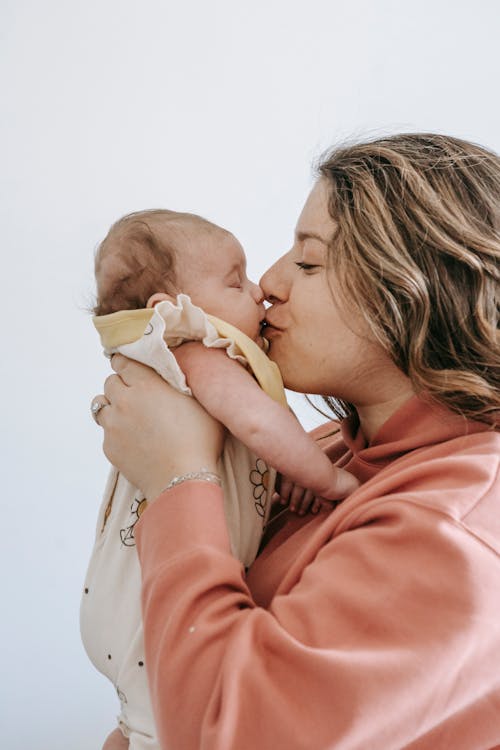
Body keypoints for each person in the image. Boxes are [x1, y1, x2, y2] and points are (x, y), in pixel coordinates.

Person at [92, 133, 500, 750]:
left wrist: (178, 476)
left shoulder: (455, 524)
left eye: (308, 262)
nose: (270, 284)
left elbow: (230, 734)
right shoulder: (334, 448)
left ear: (415, 287)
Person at [82, 210, 358, 750]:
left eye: (307, 262)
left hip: (129, 603)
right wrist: (329, 479)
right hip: (152, 610)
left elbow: (256, 442)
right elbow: (257, 421)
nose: (261, 291)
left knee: (138, 728)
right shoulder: (195, 350)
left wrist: (291, 469)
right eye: (236, 280)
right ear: (170, 309)